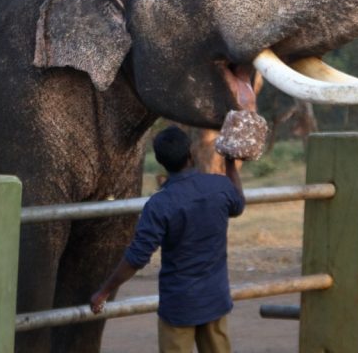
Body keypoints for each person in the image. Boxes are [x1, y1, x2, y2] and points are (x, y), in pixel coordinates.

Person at [90, 125, 245, 353]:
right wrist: (230, 164)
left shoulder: (159, 204)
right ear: (190, 153)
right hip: (215, 299)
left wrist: (104, 291)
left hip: (179, 306)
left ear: (162, 162)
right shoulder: (219, 187)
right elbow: (238, 204)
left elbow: (137, 257)